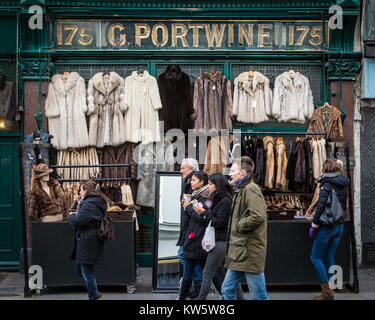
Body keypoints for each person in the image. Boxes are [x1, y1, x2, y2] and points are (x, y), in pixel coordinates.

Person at [221, 156, 269, 300]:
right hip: (240, 252)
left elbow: (258, 216)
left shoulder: (250, 189)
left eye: (233, 170)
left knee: (258, 295)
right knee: (227, 289)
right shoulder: (241, 189)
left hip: (249, 252)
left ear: (243, 173)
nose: (230, 174)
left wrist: (239, 225)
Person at [309, 158, 349, 300]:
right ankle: (332, 288)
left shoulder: (326, 183)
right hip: (339, 225)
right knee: (329, 256)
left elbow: (321, 206)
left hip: (327, 227)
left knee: (315, 257)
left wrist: (314, 224)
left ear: (325, 169)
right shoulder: (343, 182)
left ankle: (327, 292)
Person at [193, 173, 233, 300]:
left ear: (218, 185)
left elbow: (219, 222)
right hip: (217, 240)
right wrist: (202, 210)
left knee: (207, 273)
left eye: (210, 184)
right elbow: (212, 219)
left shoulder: (225, 201)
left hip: (220, 241)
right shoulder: (218, 199)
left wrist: (204, 212)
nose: (208, 186)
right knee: (227, 275)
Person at [69, 180, 109, 300]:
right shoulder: (89, 202)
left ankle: (93, 296)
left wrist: (71, 216)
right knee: (78, 269)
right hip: (87, 239)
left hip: (88, 240)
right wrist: (78, 203)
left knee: (87, 272)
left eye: (80, 190)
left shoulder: (90, 204)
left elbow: (78, 220)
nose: (79, 192)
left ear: (86, 191)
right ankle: (95, 291)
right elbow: (81, 214)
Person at [178, 170, 210, 300]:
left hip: (198, 238)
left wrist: (188, 207)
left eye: (194, 180)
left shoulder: (205, 197)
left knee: (208, 272)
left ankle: (221, 294)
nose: (191, 182)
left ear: (202, 182)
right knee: (195, 270)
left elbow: (201, 217)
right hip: (194, 237)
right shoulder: (196, 195)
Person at [176, 158, 203, 299]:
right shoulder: (188, 182)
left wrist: (186, 206)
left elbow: (193, 207)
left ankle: (200, 283)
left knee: (184, 255)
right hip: (189, 226)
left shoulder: (194, 184)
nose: (180, 171)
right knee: (189, 257)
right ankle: (199, 285)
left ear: (192, 169)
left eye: (183, 168)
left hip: (192, 227)